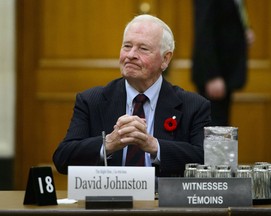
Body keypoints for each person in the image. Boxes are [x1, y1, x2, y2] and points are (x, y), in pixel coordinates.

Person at [53, 14, 211, 177]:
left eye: (143, 49)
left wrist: (155, 146)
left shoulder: (193, 106)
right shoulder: (91, 100)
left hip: (163, 200)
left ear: (165, 59)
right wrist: (108, 144)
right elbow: (63, 158)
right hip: (109, 200)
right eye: (127, 46)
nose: (131, 55)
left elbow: (206, 161)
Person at [192, 0, 255, 126]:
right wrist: (212, 75)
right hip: (215, 75)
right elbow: (203, 30)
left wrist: (244, 31)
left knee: (222, 127)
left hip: (227, 72)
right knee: (214, 131)